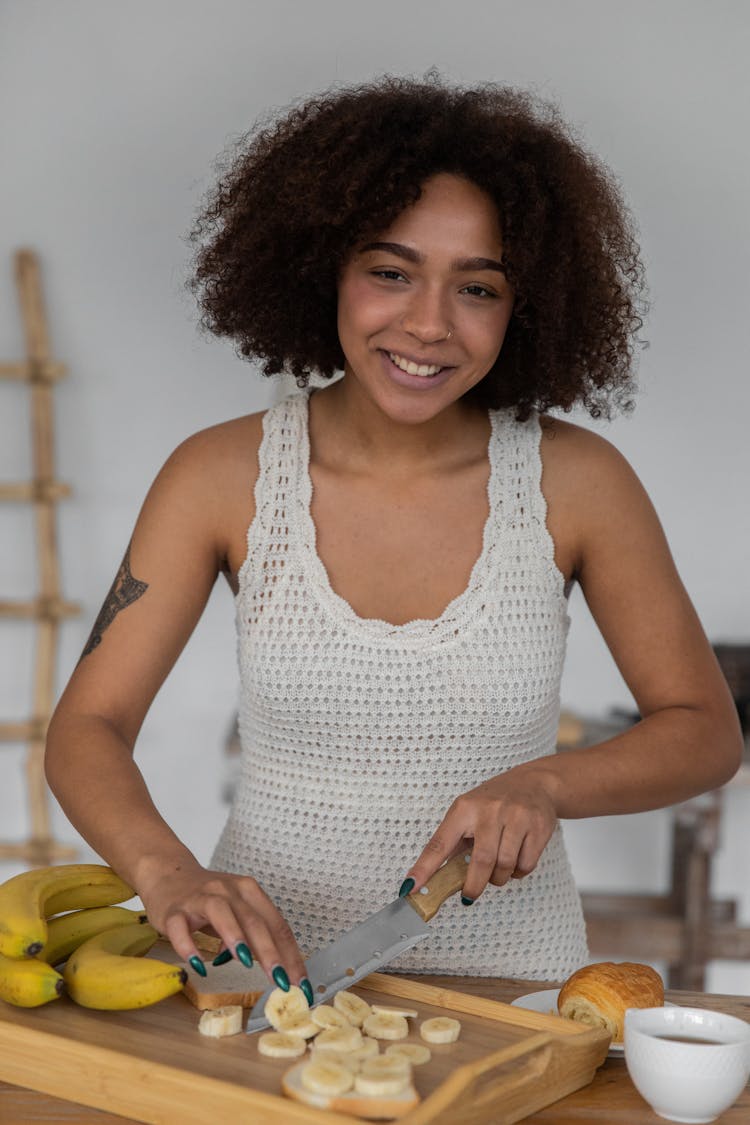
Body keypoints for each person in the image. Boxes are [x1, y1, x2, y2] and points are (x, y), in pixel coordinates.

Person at [45, 76, 743, 1001]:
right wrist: (168, 872)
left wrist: (545, 784)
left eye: (478, 287)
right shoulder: (218, 477)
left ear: (523, 307)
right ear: (324, 267)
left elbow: (705, 732)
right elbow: (87, 727)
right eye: (390, 271)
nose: (426, 323)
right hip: (259, 986)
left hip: (513, 992)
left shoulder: (579, 484)